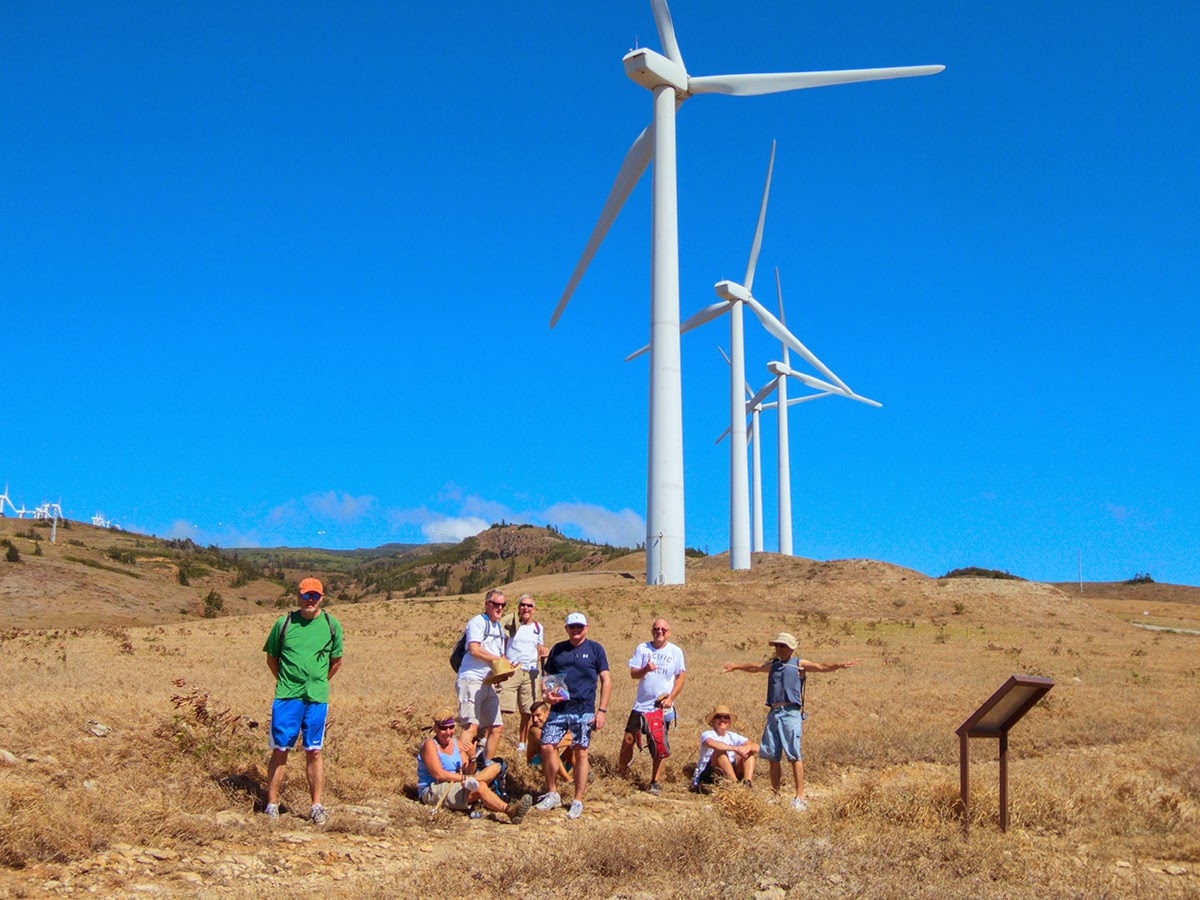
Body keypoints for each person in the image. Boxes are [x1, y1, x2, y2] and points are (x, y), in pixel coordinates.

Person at [723, 632, 859, 810]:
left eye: (783, 646)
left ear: (792, 648)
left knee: (794, 755)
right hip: (774, 712)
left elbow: (821, 666)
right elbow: (755, 667)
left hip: (790, 713)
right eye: (777, 645)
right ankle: (775, 793)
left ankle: (800, 796)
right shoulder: (774, 664)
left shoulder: (798, 664)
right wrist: (736, 667)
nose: (779, 649)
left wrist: (839, 665)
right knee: (773, 755)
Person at [262, 577, 344, 824]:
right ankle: (272, 804)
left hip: (317, 698)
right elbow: (271, 658)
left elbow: (336, 662)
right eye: (306, 595)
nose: (310, 600)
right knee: (281, 750)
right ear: (297, 596)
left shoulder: (332, 625)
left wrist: (319, 683)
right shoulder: (284, 623)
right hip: (287, 697)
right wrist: (286, 682)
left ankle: (316, 805)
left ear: (322, 597)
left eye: (315, 596)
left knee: (315, 751)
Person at [535, 612, 611, 820]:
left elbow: (606, 679)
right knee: (546, 746)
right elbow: (548, 677)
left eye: (579, 627)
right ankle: (552, 793)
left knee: (581, 752)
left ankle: (577, 799)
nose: (576, 631)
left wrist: (601, 711)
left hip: (584, 709)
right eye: (572, 627)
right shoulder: (558, 649)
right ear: (566, 628)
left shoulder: (595, 649)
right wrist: (547, 695)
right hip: (560, 709)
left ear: (586, 628)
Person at [416, 708, 532, 824]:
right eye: (443, 728)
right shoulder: (430, 745)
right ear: (435, 728)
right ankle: (509, 810)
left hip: (457, 781)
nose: (448, 732)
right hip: (434, 787)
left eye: (451, 727)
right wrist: (466, 779)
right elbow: (439, 774)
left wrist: (472, 758)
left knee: (495, 767)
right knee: (479, 786)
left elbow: (469, 771)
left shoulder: (457, 743)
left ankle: (475, 789)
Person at [616, 618, 686, 795]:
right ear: (652, 631)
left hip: (661, 706)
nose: (659, 631)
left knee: (658, 742)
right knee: (628, 740)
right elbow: (633, 674)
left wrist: (671, 698)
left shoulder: (676, 652)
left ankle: (655, 781)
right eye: (656, 628)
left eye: (663, 629)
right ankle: (621, 775)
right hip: (641, 704)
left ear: (669, 632)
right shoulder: (643, 648)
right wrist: (645, 669)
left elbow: (680, 677)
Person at [455, 588, 509, 764]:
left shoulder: (499, 628)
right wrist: (496, 661)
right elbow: (474, 649)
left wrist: (505, 668)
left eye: (503, 605)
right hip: (471, 679)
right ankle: (458, 768)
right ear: (487, 604)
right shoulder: (478, 622)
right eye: (496, 604)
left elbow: (500, 657)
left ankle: (486, 764)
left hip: (487, 683)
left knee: (497, 726)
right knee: (471, 727)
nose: (500, 608)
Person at [498, 593, 549, 753]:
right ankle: (489, 737)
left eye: (529, 606)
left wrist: (544, 652)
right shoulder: (511, 624)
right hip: (513, 671)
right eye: (523, 605)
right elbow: (502, 644)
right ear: (518, 608)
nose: (526, 608)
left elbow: (539, 647)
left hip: (531, 672)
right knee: (501, 706)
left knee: (528, 711)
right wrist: (504, 661)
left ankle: (522, 744)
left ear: (533, 609)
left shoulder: (538, 628)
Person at [691, 704, 758, 792]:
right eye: (718, 717)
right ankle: (735, 785)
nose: (722, 719)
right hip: (709, 771)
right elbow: (711, 743)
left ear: (729, 721)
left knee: (748, 753)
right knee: (719, 753)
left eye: (726, 717)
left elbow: (756, 747)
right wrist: (734, 748)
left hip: (728, 769)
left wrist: (748, 747)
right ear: (713, 721)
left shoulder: (732, 736)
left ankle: (747, 784)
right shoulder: (708, 734)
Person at [525, 700, 574, 773]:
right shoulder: (534, 730)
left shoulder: (556, 725)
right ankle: (568, 780)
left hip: (552, 763)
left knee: (576, 746)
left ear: (547, 714)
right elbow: (547, 744)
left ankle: (582, 773)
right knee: (551, 749)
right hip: (536, 764)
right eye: (533, 716)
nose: (535, 720)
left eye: (538, 715)